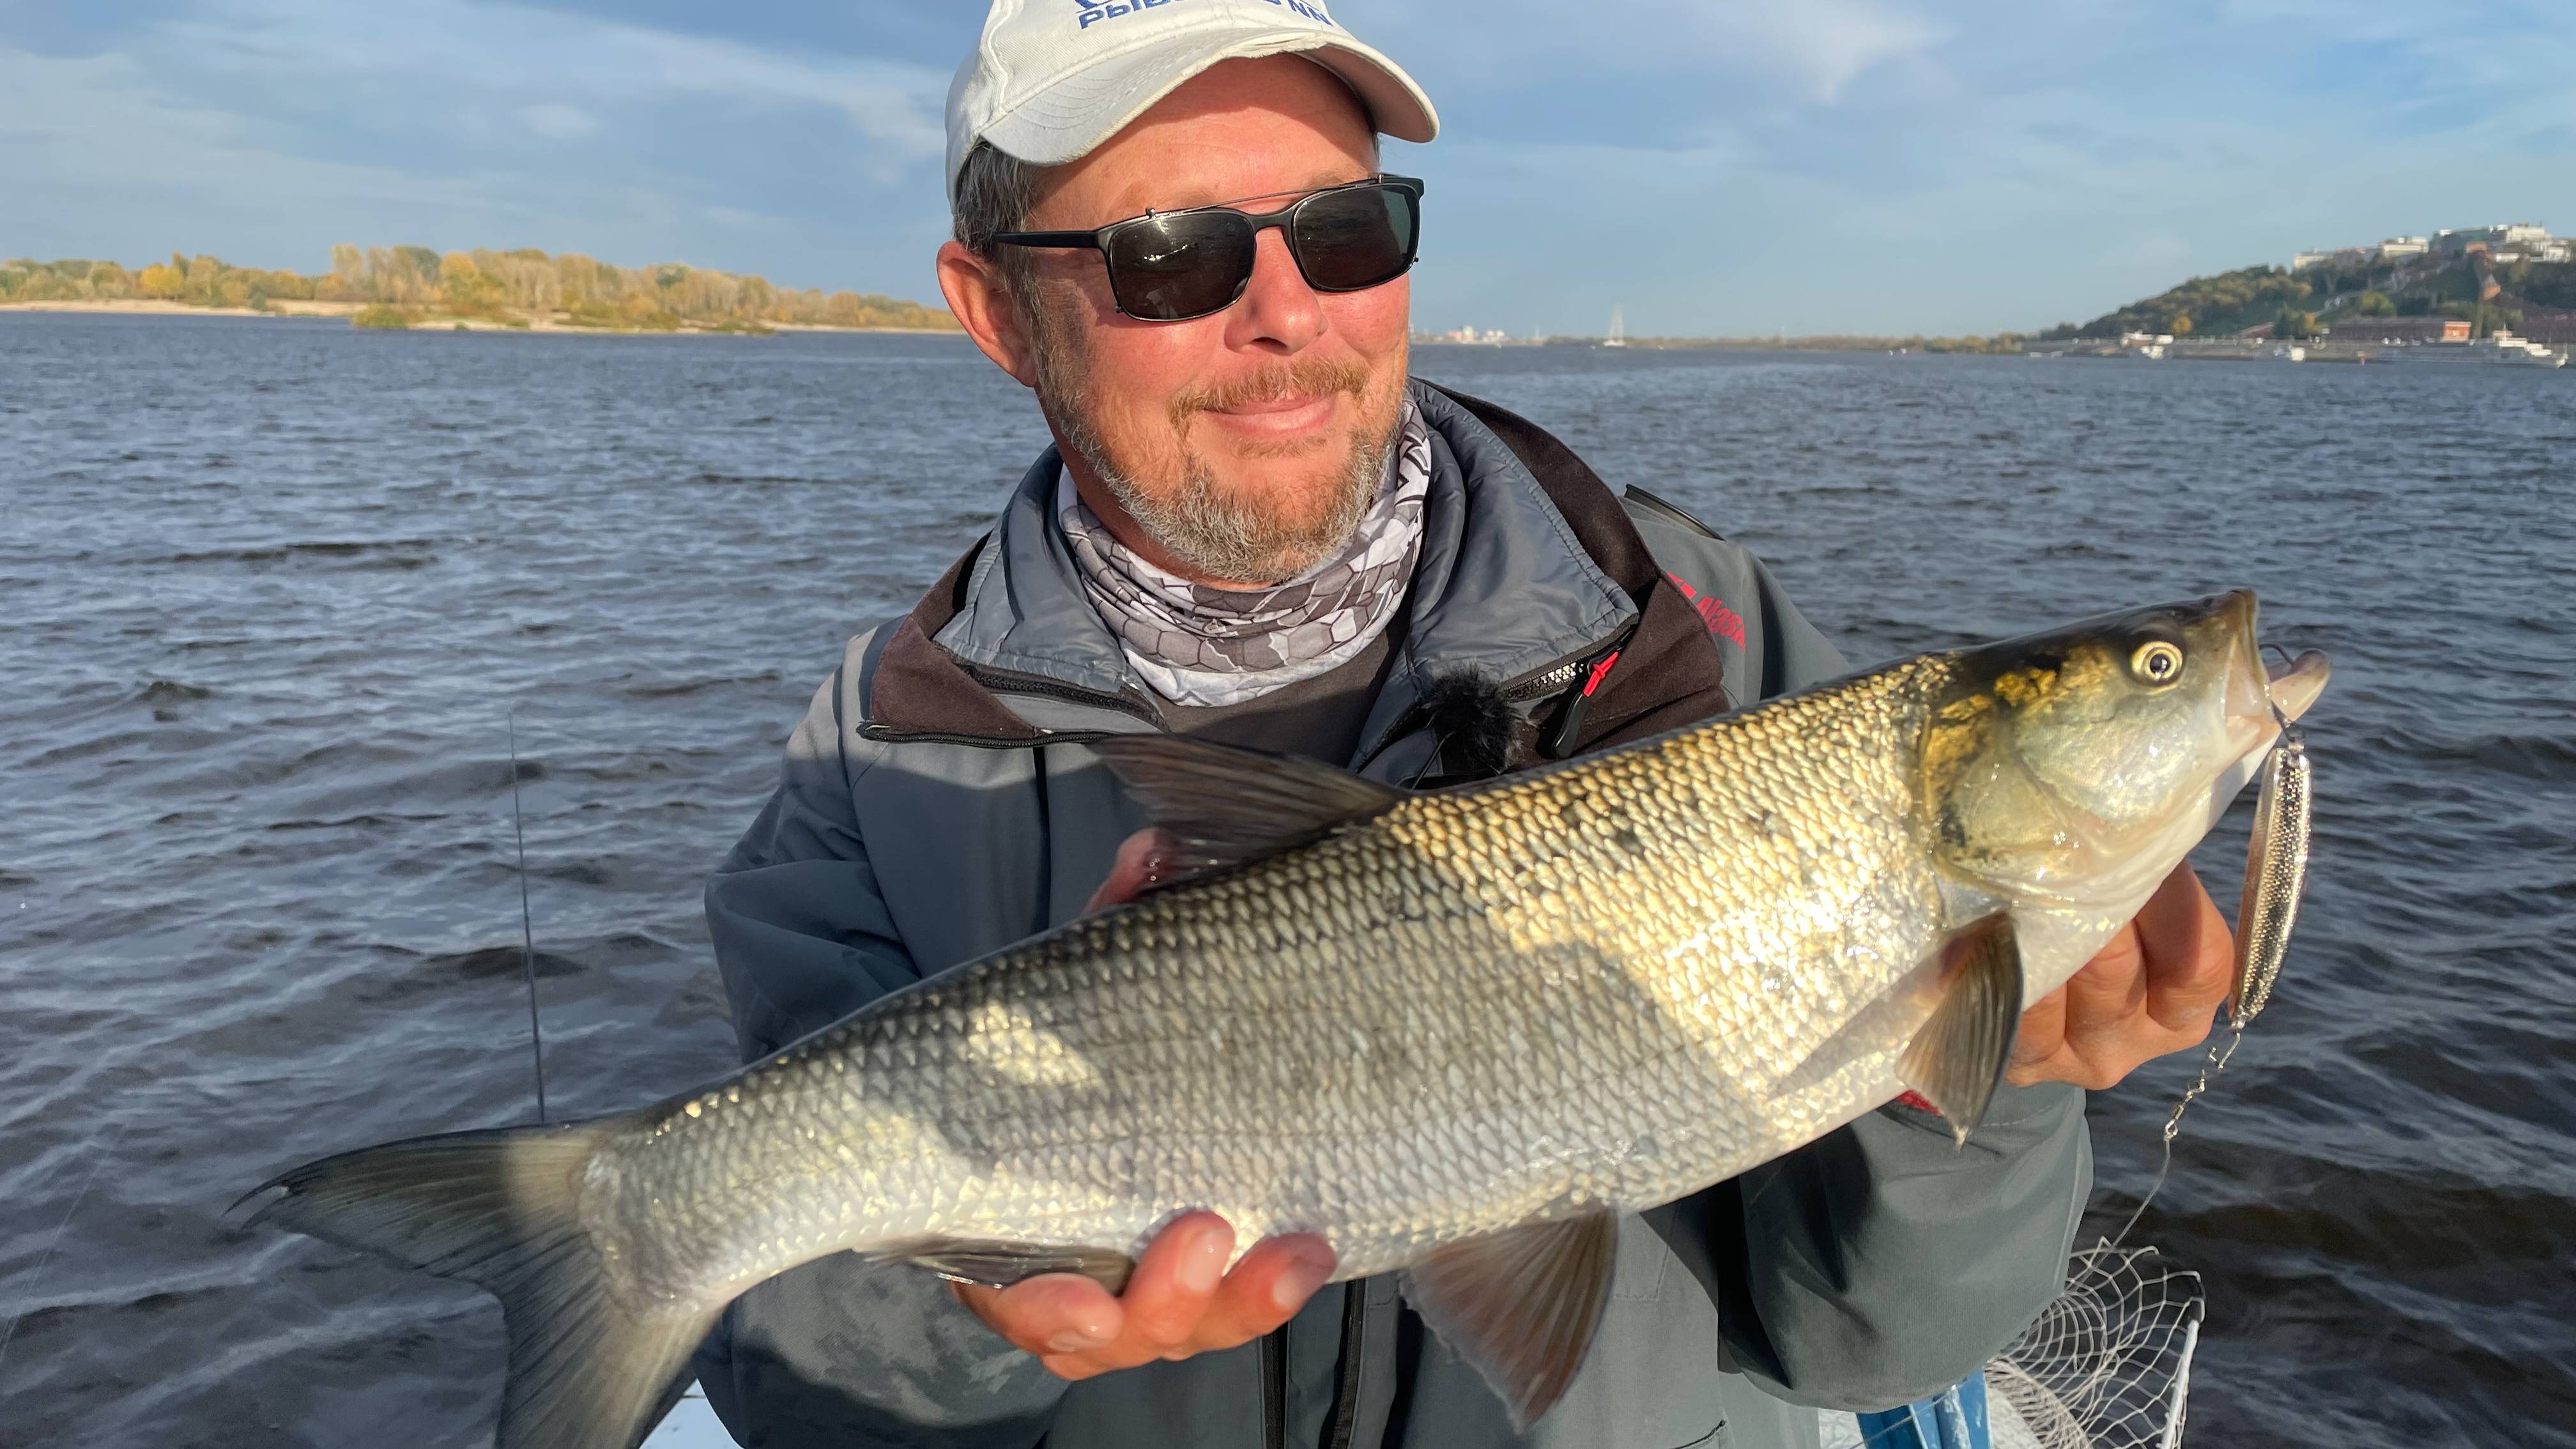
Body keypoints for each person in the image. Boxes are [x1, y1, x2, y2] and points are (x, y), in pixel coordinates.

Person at [693, 4, 2239, 1446]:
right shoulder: (876, 763)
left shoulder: (1691, 637)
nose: (1287, 312)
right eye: (1171, 258)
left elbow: (1878, 1347)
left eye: (1343, 231)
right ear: (996, 309)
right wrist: (979, 1314)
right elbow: (790, 1378)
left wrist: (1998, 1089)